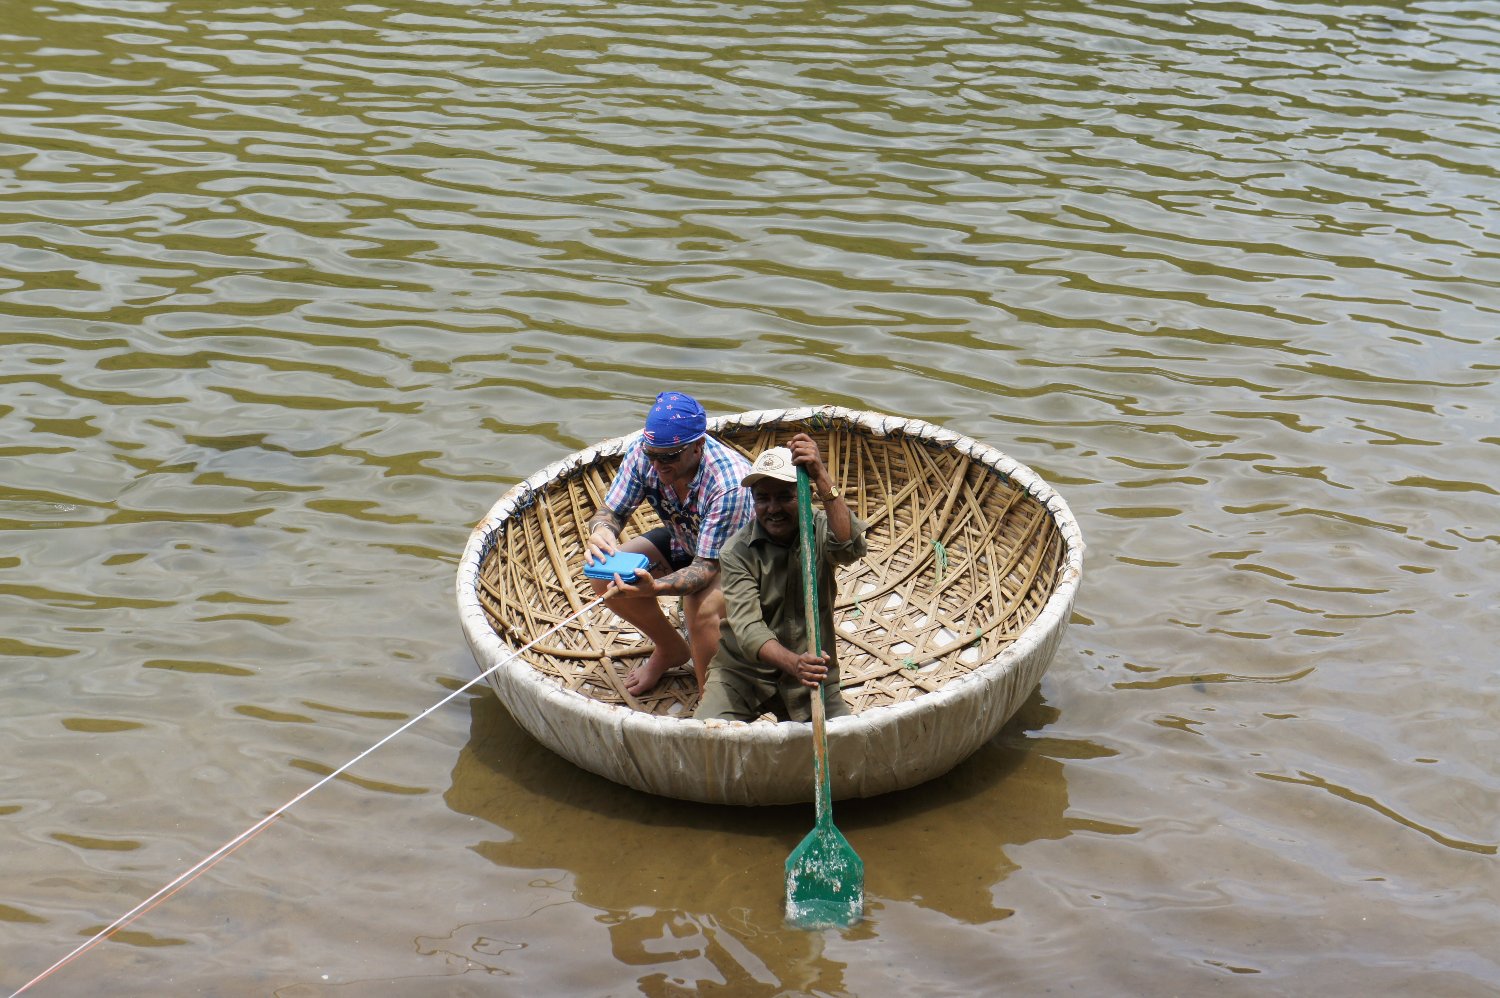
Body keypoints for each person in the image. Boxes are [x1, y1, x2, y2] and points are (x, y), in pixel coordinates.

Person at [584, 391, 753, 696]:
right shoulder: (643, 452)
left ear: (698, 447)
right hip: (687, 543)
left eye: (670, 457)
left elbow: (705, 569)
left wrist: (656, 588)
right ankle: (671, 649)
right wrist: (603, 531)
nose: (659, 465)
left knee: (698, 607)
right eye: (653, 455)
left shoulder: (728, 484)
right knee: (604, 572)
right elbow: (611, 512)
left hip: (743, 563)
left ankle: (711, 697)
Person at [694, 432, 868, 723]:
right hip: (742, 675)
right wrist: (794, 663)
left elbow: (850, 548)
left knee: (845, 750)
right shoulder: (736, 552)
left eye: (784, 497)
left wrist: (821, 475)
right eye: (763, 499)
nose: (772, 509)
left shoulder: (820, 526)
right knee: (707, 742)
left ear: (803, 495)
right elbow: (749, 631)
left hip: (811, 676)